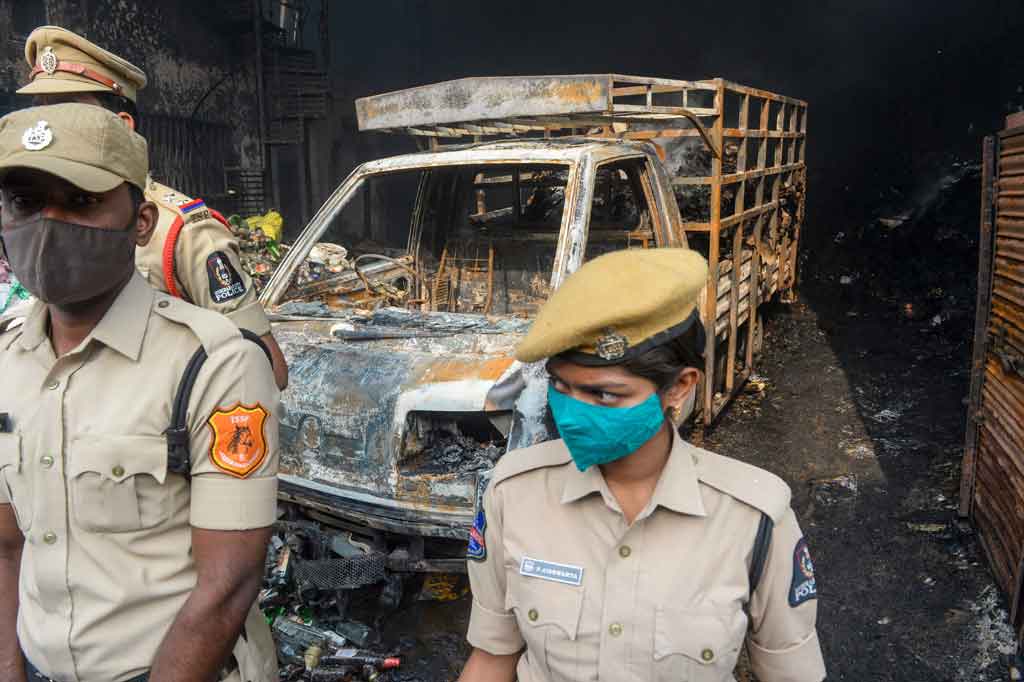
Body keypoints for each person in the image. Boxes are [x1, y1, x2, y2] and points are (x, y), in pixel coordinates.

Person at [0, 103, 279, 681]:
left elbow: (226, 585)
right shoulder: (7, 360)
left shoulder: (213, 362)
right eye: (26, 203)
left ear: (142, 222)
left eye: (81, 201)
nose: (49, 226)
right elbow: (6, 546)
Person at [459, 248, 827, 682]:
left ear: (679, 387)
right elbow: (492, 657)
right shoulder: (514, 494)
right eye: (562, 387)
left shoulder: (754, 518)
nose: (573, 415)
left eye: (605, 395)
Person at [17, 24, 289, 390]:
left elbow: (267, 369)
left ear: (122, 127)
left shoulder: (183, 233)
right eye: (43, 113)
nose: (52, 129)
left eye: (72, 112)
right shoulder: (25, 222)